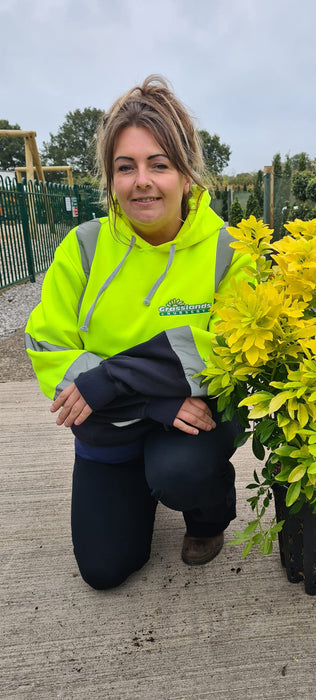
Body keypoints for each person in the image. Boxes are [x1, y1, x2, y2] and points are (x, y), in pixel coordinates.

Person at [25, 75, 251, 590]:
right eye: (125, 167)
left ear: (187, 176)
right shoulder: (82, 247)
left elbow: (225, 350)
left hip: (190, 420)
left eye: (159, 164)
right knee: (105, 571)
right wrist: (148, 401)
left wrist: (112, 376)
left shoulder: (227, 251)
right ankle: (137, 483)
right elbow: (48, 345)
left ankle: (207, 515)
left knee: (181, 472)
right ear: (110, 180)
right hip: (115, 422)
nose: (142, 181)